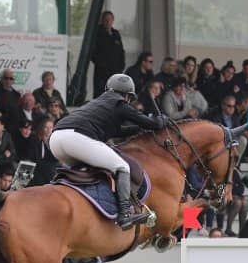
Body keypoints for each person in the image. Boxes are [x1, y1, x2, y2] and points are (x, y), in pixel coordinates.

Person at [49, 73, 165, 229]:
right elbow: (151, 123)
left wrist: (140, 129)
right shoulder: (120, 104)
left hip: (56, 140)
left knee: (89, 169)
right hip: (76, 139)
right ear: (127, 96)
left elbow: (117, 131)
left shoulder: (97, 103)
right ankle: (125, 214)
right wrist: (161, 120)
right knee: (122, 167)